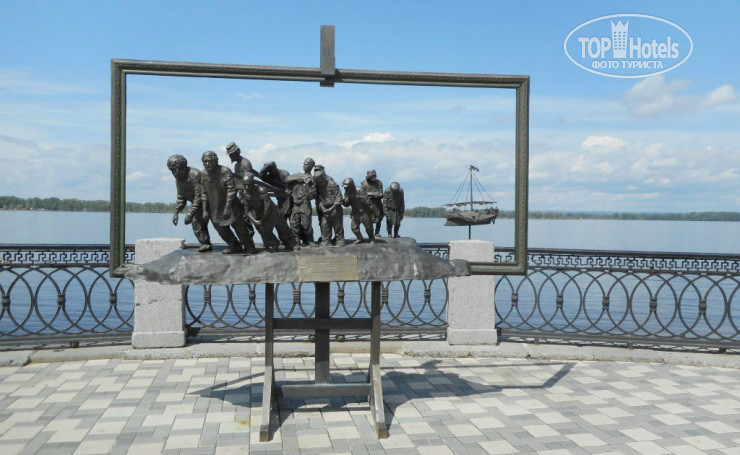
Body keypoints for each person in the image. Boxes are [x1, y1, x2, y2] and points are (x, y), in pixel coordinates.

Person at [190, 151, 256, 254]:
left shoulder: (225, 171)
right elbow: (203, 193)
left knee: (240, 228)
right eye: (205, 162)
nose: (207, 164)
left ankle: (249, 247)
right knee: (221, 229)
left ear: (216, 161)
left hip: (231, 206)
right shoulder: (204, 174)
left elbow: (231, 190)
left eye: (210, 161)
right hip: (215, 208)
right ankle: (234, 246)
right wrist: (204, 210)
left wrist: (227, 207)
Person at [166, 154, 212, 252]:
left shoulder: (195, 174)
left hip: (210, 202)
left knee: (220, 225)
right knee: (197, 223)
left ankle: (234, 244)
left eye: (178, 169)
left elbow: (199, 196)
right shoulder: (178, 179)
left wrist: (190, 213)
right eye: (173, 170)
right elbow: (181, 197)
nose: (176, 173)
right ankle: (206, 243)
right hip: (199, 206)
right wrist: (176, 213)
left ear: (184, 167)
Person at [241, 173, 296, 252]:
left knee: (282, 228)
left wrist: (262, 219)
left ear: (253, 183)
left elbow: (267, 206)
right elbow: (247, 210)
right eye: (245, 185)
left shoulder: (261, 190)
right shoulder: (245, 193)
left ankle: (291, 243)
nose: (247, 187)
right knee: (263, 230)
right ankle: (273, 244)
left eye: (249, 184)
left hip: (272, 212)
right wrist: (254, 220)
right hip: (258, 213)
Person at [284, 157, 317, 247]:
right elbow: (286, 180)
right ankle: (296, 241)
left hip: (305, 204)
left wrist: (307, 185)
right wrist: (296, 179)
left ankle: (310, 241)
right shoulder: (297, 175)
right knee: (293, 223)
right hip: (296, 204)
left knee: (306, 225)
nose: (304, 165)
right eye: (303, 164)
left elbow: (311, 196)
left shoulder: (312, 179)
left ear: (311, 166)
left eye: (306, 164)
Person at [313, 165, 345, 247]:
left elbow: (339, 198)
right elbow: (318, 199)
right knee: (324, 225)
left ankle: (340, 240)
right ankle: (326, 240)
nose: (319, 182)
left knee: (337, 226)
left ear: (323, 177)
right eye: (317, 181)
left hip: (335, 208)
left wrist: (331, 208)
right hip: (325, 208)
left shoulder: (331, 183)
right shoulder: (318, 186)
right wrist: (323, 208)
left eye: (320, 180)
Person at [342, 177, 376, 242]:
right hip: (355, 212)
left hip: (364, 212)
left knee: (368, 227)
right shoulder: (347, 193)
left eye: (346, 187)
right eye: (344, 187)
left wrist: (375, 214)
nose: (345, 188)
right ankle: (360, 238)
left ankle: (372, 238)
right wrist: (344, 201)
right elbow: (346, 205)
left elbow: (369, 203)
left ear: (351, 186)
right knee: (354, 228)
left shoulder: (360, 190)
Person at [361, 169, 384, 236]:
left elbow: (381, 194)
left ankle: (377, 232)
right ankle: (370, 234)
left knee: (378, 218)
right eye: (372, 176)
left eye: (374, 176)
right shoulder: (364, 183)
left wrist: (371, 194)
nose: (374, 178)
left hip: (377, 203)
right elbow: (362, 194)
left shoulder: (379, 183)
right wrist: (373, 194)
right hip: (367, 204)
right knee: (368, 219)